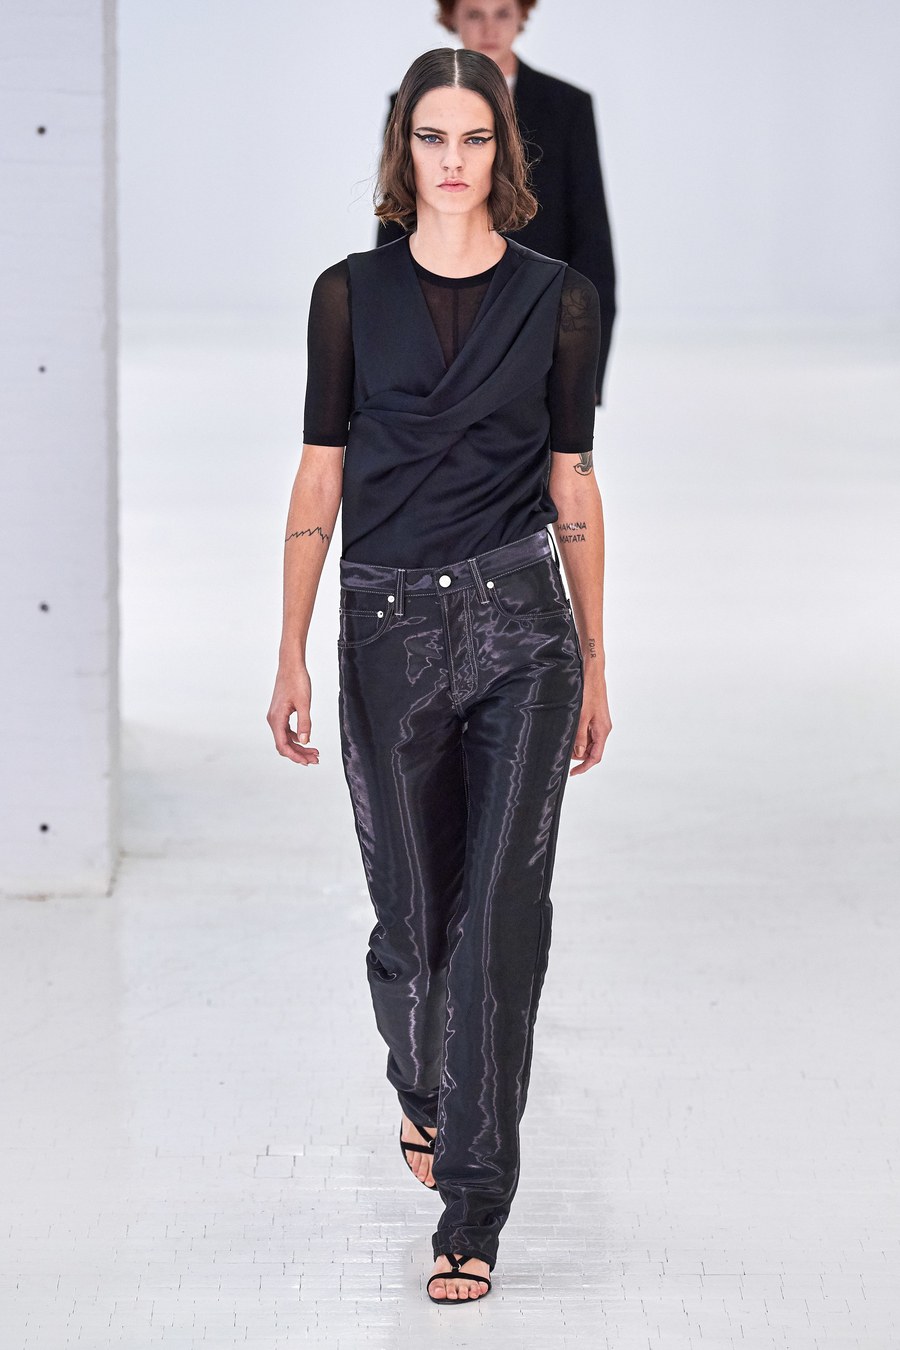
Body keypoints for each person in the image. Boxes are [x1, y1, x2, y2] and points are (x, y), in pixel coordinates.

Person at [268, 47, 611, 1305]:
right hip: (387, 630)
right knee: (412, 927)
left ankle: (473, 1202)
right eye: (431, 137)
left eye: (474, 138)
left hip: (524, 630)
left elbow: (573, 481)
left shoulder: (558, 299)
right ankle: (422, 1083)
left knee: (500, 924)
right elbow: (321, 471)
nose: (453, 160)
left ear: (503, 152)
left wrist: (596, 655)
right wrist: (289, 644)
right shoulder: (348, 295)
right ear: (401, 150)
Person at [377, 0, 617, 404]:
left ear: (522, 16)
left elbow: (591, 235)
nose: (489, 28)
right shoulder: (410, 104)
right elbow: (397, 216)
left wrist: (586, 377)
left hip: (537, 320)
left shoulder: (567, 106)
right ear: (451, 18)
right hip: (436, 324)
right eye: (475, 14)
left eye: (502, 13)